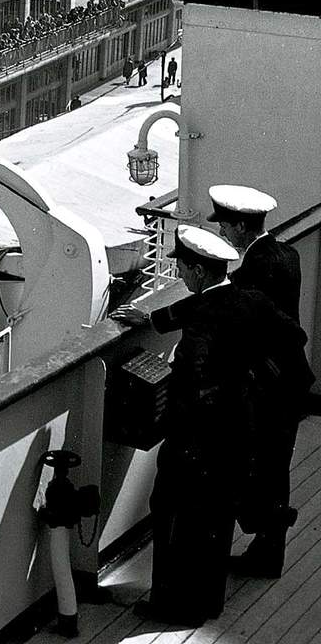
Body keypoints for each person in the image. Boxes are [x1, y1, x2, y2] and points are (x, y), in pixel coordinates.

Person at [113, 226, 261, 625]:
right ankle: (207, 602)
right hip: (235, 435)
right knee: (214, 523)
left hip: (198, 443)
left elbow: (193, 385)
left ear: (197, 271)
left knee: (174, 517)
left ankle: (173, 605)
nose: (178, 272)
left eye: (181, 266)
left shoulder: (201, 328)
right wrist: (154, 317)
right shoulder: (243, 300)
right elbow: (207, 309)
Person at [206, 184, 310, 578]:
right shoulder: (286, 254)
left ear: (240, 227)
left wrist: (154, 319)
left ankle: (266, 551)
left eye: (224, 226)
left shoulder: (256, 271)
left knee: (263, 468)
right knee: (274, 468)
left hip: (271, 387)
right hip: (289, 379)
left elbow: (219, 302)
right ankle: (268, 551)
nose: (221, 234)